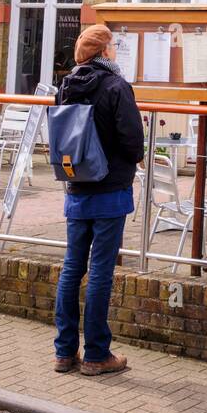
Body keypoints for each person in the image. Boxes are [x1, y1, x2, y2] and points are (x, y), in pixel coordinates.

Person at [52, 24, 145, 376]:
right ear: (104, 51)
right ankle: (95, 355)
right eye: (113, 46)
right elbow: (133, 141)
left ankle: (63, 352)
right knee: (102, 271)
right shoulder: (116, 86)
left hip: (76, 186)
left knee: (72, 267)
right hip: (110, 189)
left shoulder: (66, 85)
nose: (115, 51)